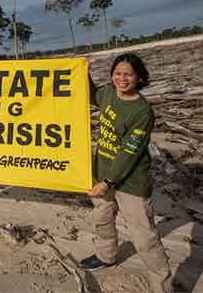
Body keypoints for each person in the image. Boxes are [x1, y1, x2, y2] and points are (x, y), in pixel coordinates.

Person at [80, 53, 172, 292]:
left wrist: (108, 181)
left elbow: (128, 153)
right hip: (102, 171)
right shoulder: (109, 93)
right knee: (102, 218)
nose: (122, 79)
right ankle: (106, 256)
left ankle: (161, 285)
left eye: (128, 74)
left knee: (145, 238)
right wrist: (82, 70)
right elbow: (90, 95)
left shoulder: (142, 112)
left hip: (130, 181)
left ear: (139, 77)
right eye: (118, 73)